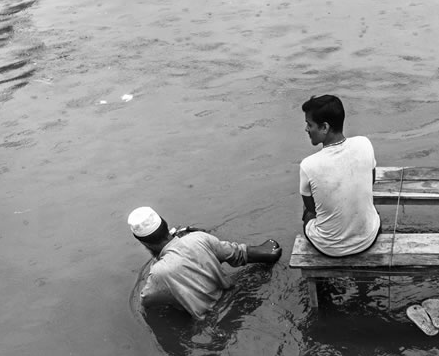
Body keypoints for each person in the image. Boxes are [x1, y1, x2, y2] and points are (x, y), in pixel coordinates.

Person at [128, 206, 281, 318]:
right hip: (235, 298)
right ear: (166, 225)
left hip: (210, 321)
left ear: (144, 243)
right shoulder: (199, 238)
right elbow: (237, 254)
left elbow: (146, 302)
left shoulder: (158, 272)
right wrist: (268, 252)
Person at [299, 94, 381, 256]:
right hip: (367, 238)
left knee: (306, 213)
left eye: (310, 124)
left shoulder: (308, 165)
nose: (306, 129)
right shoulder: (364, 143)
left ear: (324, 127)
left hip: (330, 247)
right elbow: (371, 180)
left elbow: (312, 209)